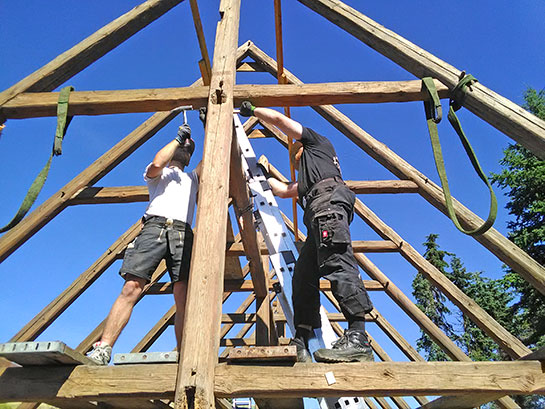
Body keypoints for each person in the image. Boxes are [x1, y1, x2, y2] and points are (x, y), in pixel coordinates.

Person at [239, 101, 374, 363]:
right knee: (303, 277)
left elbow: (278, 120)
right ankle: (303, 338)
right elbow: (282, 190)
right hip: (318, 216)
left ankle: (358, 337)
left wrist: (252, 110)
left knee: (338, 263)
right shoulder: (309, 180)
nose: (293, 160)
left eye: (294, 154)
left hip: (327, 208)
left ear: (302, 147)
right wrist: (261, 175)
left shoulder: (318, 143)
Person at [87, 123, 201, 365]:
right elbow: (158, 162)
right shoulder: (158, 175)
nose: (184, 148)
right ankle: (103, 347)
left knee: (183, 298)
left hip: (182, 232)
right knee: (132, 287)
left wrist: (207, 123)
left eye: (188, 148)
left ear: (190, 157)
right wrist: (179, 139)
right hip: (155, 228)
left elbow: (214, 156)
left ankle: (184, 356)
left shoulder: (193, 178)